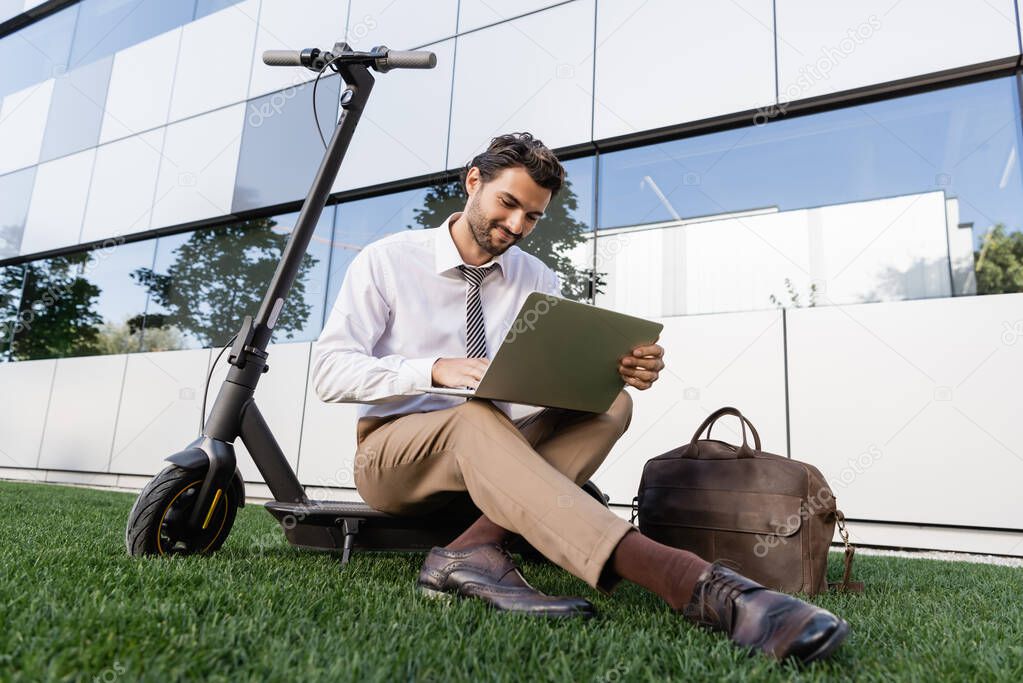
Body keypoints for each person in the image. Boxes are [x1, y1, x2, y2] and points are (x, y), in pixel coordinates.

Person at [311, 132, 849, 664]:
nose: (518, 226)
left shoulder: (536, 277)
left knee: (611, 403)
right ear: (473, 182)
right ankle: (692, 582)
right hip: (393, 457)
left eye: (533, 216)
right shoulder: (388, 261)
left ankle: (469, 551)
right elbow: (330, 373)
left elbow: (541, 382)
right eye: (508, 203)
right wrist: (434, 369)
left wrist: (613, 370)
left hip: (498, 451)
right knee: (471, 420)